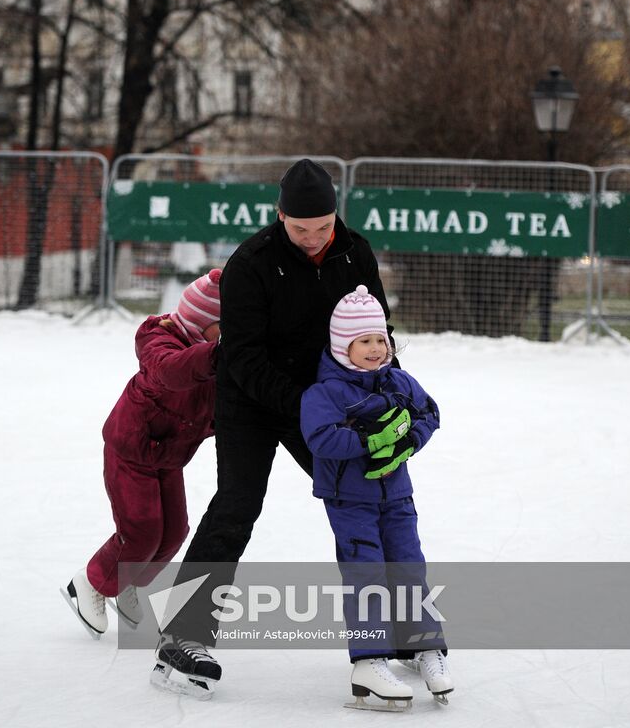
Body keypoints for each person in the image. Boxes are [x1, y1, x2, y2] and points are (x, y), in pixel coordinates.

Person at [153, 158, 395, 697]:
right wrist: (304, 404)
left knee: (368, 494)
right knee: (236, 503)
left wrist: (386, 384)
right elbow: (240, 355)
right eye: (300, 228)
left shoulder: (356, 251)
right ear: (280, 215)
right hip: (254, 400)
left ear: (337, 215)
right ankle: (182, 636)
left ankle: (391, 626)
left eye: (323, 227)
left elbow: (375, 324)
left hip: (326, 398)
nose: (312, 239)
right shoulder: (252, 263)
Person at [300, 284, 454, 710]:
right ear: (342, 345)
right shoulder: (325, 393)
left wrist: (408, 442)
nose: (374, 349)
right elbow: (320, 438)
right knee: (366, 575)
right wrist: (370, 438)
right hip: (351, 501)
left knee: (409, 568)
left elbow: (429, 412)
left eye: (380, 340)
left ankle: (425, 647)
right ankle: (369, 660)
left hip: (398, 496)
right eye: (364, 341)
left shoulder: (399, 381)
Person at [64, 270, 222, 637]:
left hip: (170, 455)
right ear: (201, 323)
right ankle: (90, 583)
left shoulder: (216, 357)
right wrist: (219, 355)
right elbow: (173, 373)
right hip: (132, 448)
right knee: (141, 533)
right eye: (224, 325)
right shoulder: (159, 339)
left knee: (174, 533)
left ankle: (128, 583)